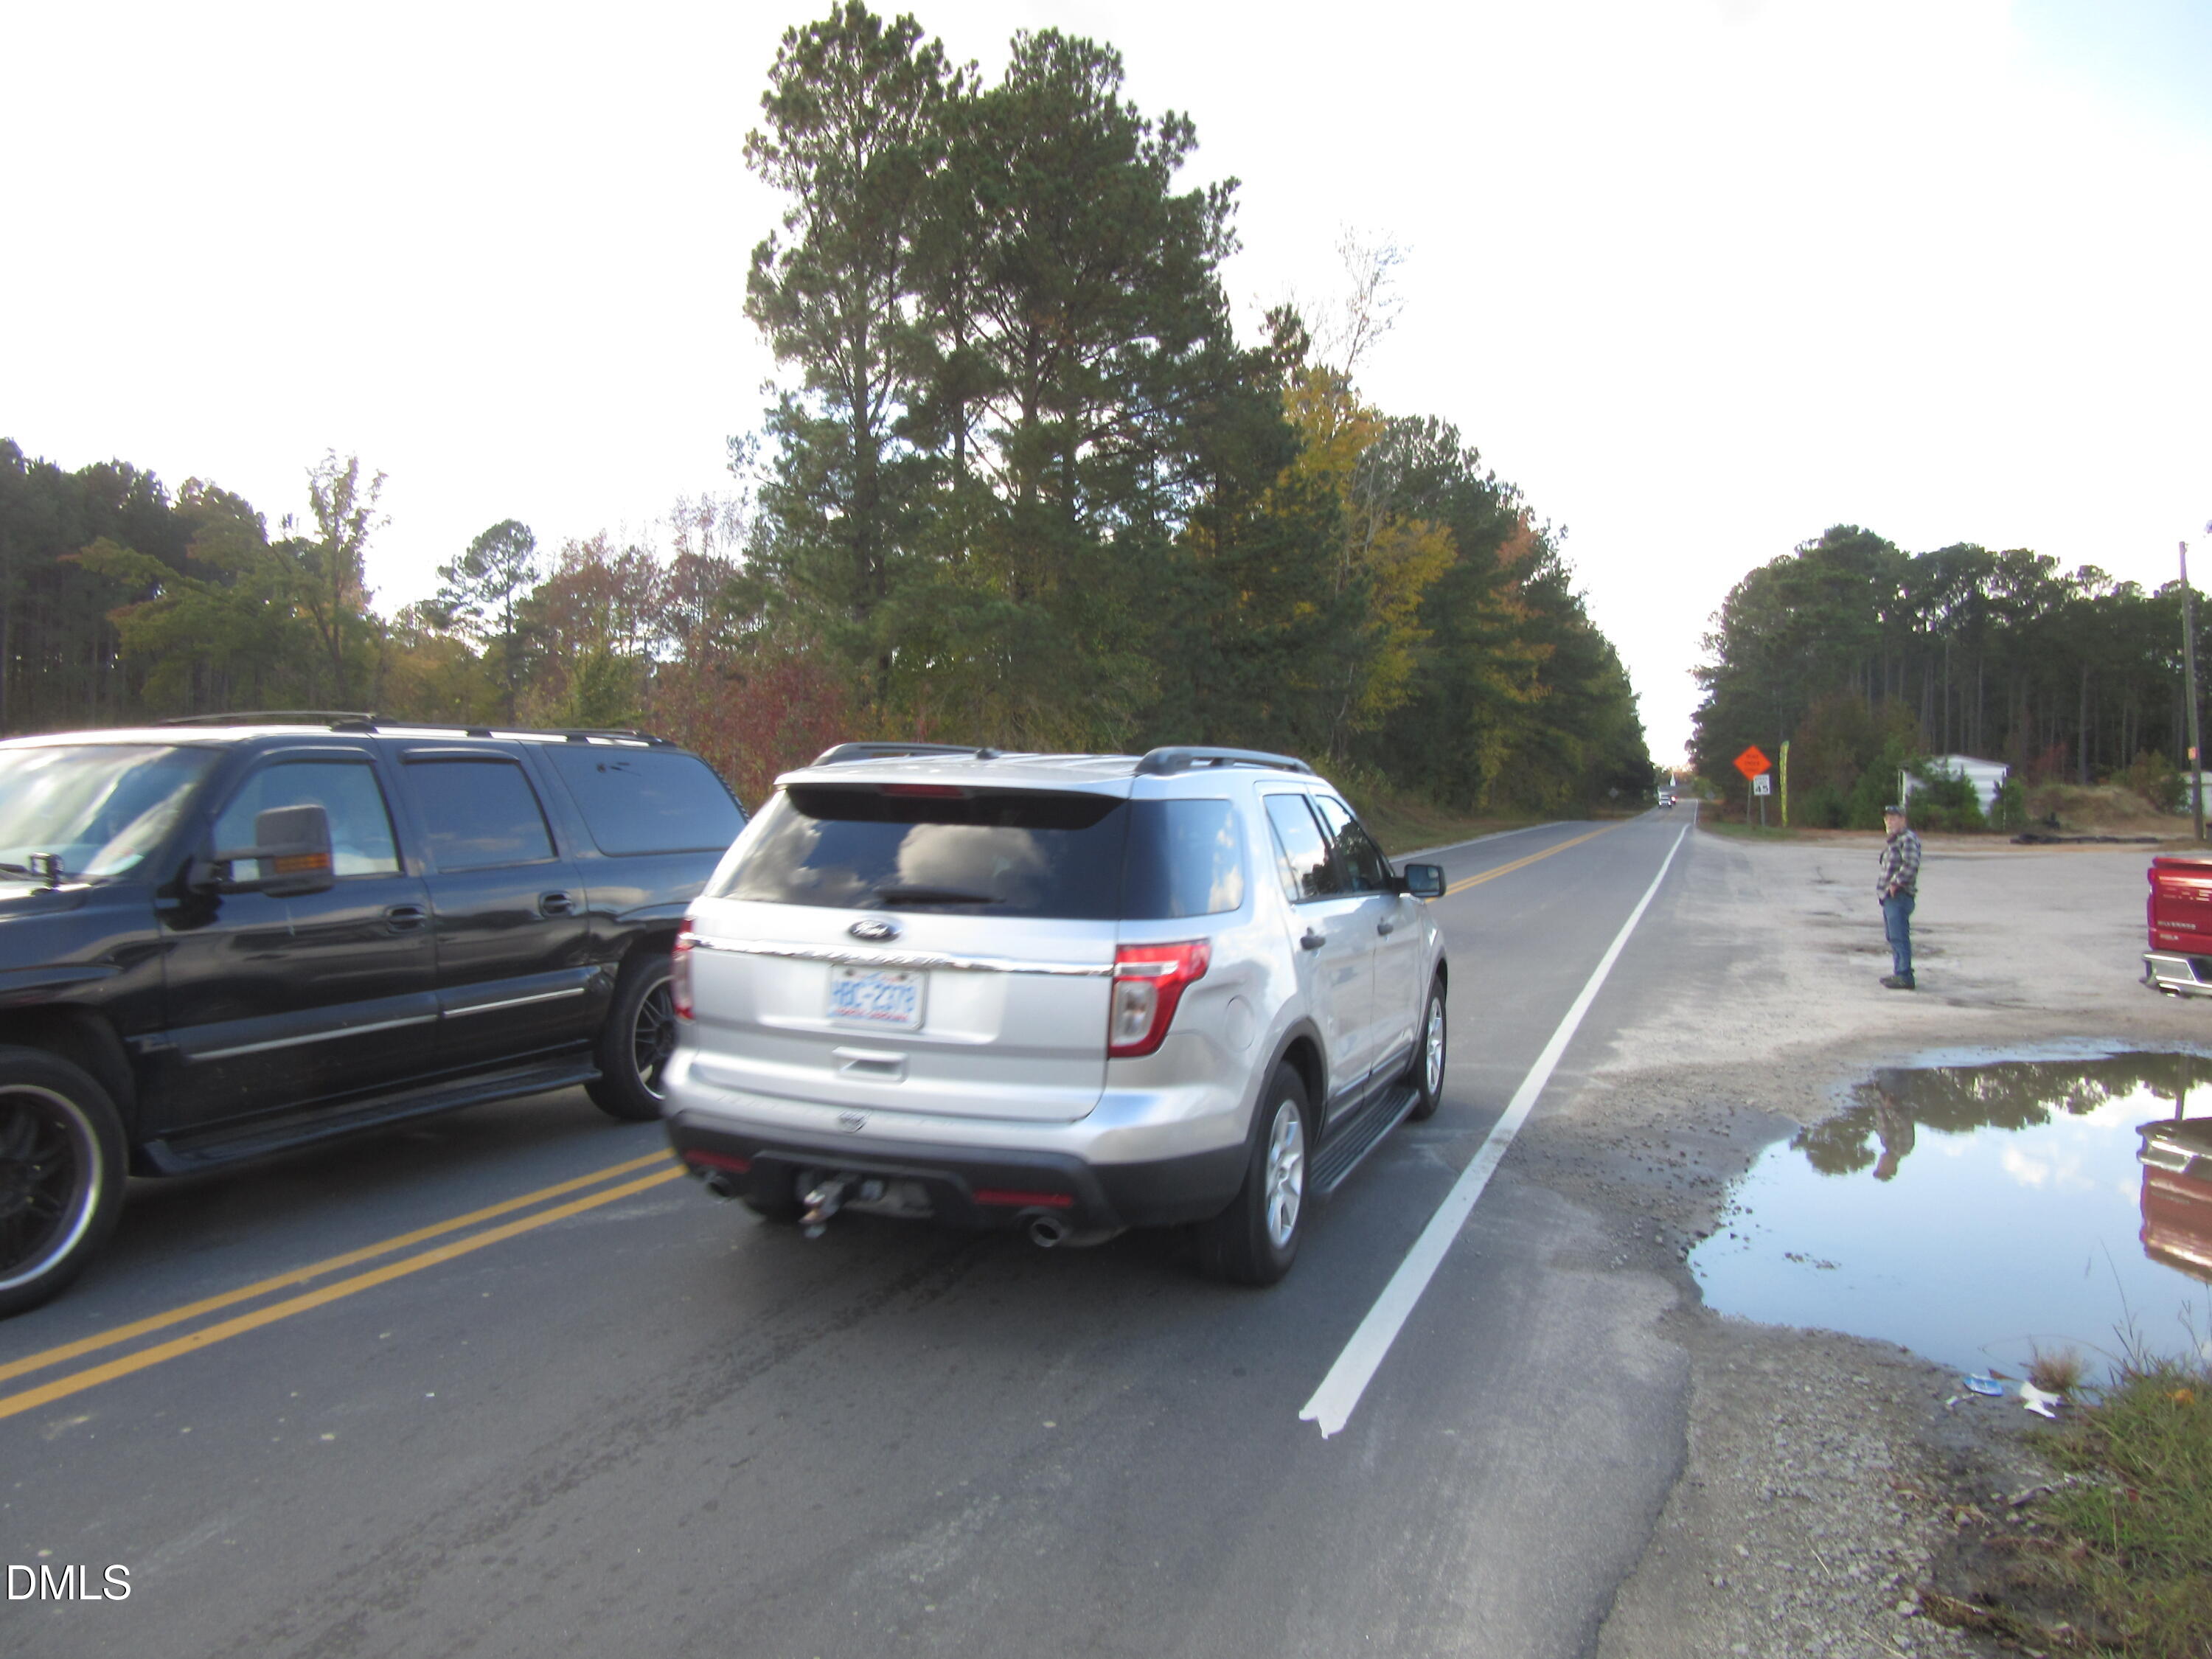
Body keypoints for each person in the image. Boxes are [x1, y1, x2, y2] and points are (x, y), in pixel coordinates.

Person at [1876, 803, 1921, 990]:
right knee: (1893, 936)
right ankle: (1898, 972)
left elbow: (1911, 864)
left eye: (1894, 818)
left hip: (1899, 896)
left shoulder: (1908, 839)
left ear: (1903, 820)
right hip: (1889, 897)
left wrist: (1895, 884)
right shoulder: (1894, 841)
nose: (1890, 821)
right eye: (1887, 818)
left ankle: (1905, 975)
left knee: (1900, 935)